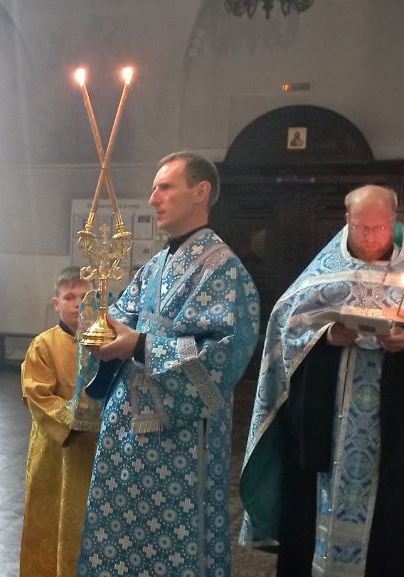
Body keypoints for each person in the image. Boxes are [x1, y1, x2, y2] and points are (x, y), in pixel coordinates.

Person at [239, 185, 404, 576]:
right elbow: (284, 335)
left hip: (398, 440)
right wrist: (325, 339)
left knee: (396, 536)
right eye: (362, 228)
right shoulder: (319, 280)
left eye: (380, 227)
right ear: (347, 221)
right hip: (325, 435)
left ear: (395, 220)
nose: (371, 236)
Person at [76, 152, 260, 577]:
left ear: (200, 192)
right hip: (127, 425)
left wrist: (141, 345)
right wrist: (100, 334)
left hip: (181, 438)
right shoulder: (156, 265)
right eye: (154, 187)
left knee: (172, 543)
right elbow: (122, 315)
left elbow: (223, 356)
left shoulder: (224, 270)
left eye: (165, 187)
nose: (153, 198)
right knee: (121, 533)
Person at [19, 267, 100, 577]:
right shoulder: (44, 345)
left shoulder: (107, 342)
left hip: (97, 449)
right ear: (57, 303)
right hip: (57, 451)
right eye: (69, 297)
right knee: (53, 521)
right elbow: (36, 394)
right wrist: (76, 420)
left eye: (85, 296)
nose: (78, 303)